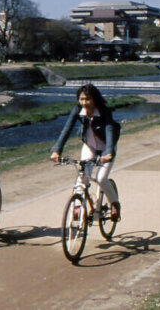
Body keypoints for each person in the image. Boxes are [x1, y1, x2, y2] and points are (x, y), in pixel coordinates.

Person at [50, 84, 122, 221]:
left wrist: (108, 153)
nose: (84, 102)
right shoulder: (78, 110)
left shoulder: (104, 111)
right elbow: (67, 129)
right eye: (81, 99)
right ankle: (77, 206)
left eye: (87, 99)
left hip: (107, 147)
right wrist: (56, 150)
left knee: (101, 179)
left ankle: (115, 204)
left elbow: (110, 131)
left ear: (95, 99)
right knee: (82, 175)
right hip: (90, 146)